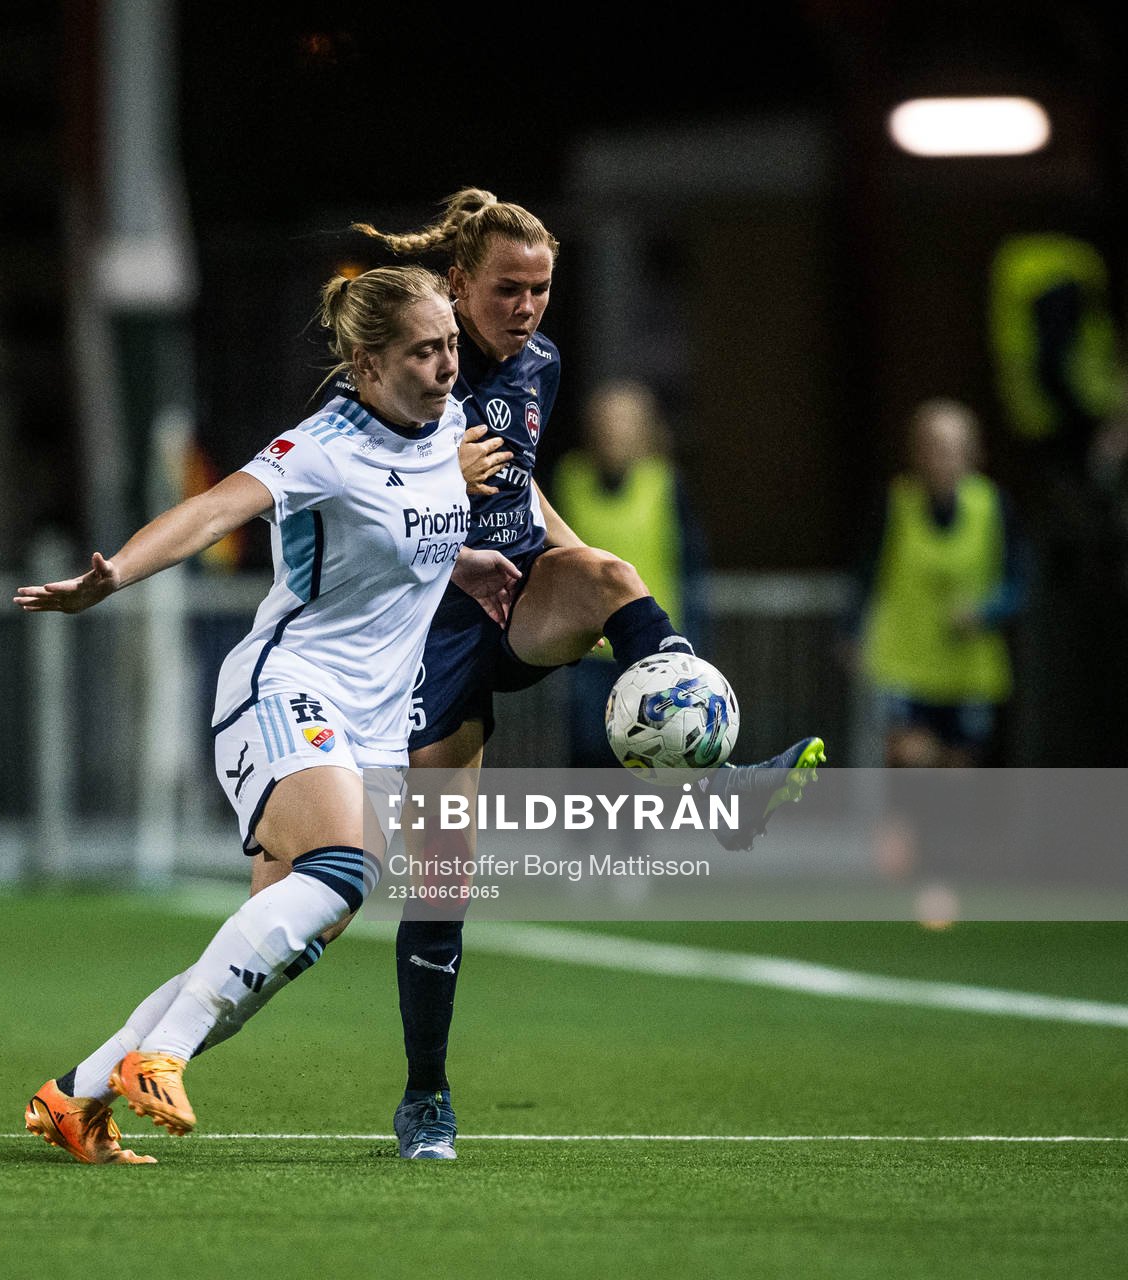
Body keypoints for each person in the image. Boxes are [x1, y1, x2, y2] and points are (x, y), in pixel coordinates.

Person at [355, 189, 825, 1160]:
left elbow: (519, 481)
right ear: (455, 283)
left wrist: (598, 594)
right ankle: (424, 1096)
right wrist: (442, 483)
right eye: (505, 289)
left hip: (517, 593)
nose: (525, 307)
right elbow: (351, 508)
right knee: (442, 874)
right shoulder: (405, 366)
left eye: (539, 289)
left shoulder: (539, 364)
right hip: (425, 630)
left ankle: (716, 781)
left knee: (615, 572)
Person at [17, 266, 512, 1162]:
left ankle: (78, 1093)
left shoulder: (442, 428)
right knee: (345, 865)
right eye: (424, 351)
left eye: (449, 346)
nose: (447, 366)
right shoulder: (323, 446)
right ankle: (159, 1057)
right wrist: (112, 580)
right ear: (366, 363)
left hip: (377, 724)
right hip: (288, 688)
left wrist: (462, 563)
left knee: (267, 959)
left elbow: (410, 531)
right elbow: (212, 511)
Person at [552, 380, 711, 768]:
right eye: (607, 422)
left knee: (644, 756)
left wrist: (694, 643)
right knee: (588, 752)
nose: (614, 432)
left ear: (643, 429)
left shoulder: (663, 484)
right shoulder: (570, 479)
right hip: (588, 648)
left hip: (650, 651)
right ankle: (583, 828)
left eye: (624, 423)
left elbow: (691, 567)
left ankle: (632, 831)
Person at [859, 399, 1025, 768]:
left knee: (957, 772)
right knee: (910, 760)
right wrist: (853, 631)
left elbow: (1018, 582)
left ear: (972, 453)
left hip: (968, 670)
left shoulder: (993, 506)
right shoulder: (896, 503)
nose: (942, 458)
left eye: (952, 448)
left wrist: (986, 611)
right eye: (932, 446)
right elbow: (867, 572)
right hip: (905, 661)